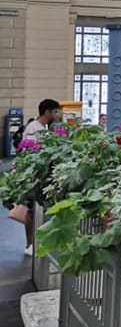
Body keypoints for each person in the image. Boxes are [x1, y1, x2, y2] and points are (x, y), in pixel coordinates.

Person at [19, 98, 61, 255]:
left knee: (37, 210)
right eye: (55, 111)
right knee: (30, 209)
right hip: (33, 176)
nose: (57, 115)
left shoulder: (45, 128)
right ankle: (30, 244)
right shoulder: (33, 128)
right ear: (47, 112)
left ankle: (37, 243)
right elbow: (29, 152)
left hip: (42, 175)